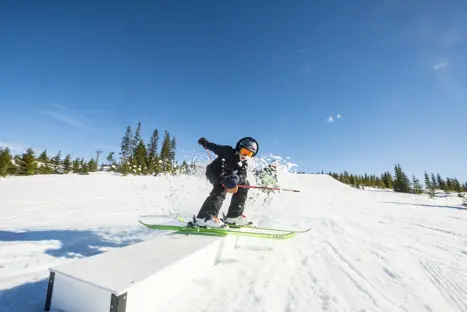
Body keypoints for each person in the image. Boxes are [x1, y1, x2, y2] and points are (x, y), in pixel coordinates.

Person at [194, 136, 259, 228]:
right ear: (239, 148)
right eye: (244, 151)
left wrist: (236, 179)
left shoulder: (244, 164)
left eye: (249, 154)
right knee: (221, 186)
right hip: (214, 171)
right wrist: (205, 143)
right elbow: (215, 147)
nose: (246, 155)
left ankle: (233, 216)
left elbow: (243, 176)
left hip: (229, 177)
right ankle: (205, 217)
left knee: (245, 184)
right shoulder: (228, 151)